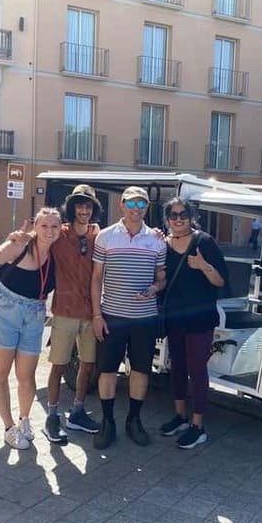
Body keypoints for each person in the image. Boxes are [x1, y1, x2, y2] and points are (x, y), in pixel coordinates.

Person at [0, 207, 61, 450]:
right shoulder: (20, 244)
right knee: (1, 372)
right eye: (44, 225)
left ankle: (24, 420)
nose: (49, 231)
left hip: (34, 313)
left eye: (54, 226)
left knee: (27, 375)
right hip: (5, 307)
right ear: (35, 226)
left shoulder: (57, 254)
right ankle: (8, 427)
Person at [91, 186, 166, 449]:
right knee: (108, 370)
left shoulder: (157, 240)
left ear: (147, 208)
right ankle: (107, 422)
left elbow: (161, 278)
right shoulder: (105, 236)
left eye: (141, 205)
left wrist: (154, 289)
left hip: (144, 318)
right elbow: (96, 278)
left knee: (141, 371)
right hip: (112, 316)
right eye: (131, 205)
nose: (136, 210)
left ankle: (134, 420)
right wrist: (97, 315)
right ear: (122, 205)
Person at [159, 197, 227, 449]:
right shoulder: (162, 245)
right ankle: (180, 417)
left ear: (191, 217)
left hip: (200, 318)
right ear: (167, 219)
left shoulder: (204, 243)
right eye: (173, 215)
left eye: (183, 214)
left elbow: (220, 281)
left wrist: (202, 266)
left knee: (197, 368)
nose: (179, 219)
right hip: (175, 317)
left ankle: (198, 426)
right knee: (176, 366)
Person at [42, 184, 103, 444]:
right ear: (72, 208)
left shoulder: (98, 235)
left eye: (88, 206)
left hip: (90, 312)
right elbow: (38, 238)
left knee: (88, 364)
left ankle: (77, 411)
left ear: (93, 209)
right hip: (65, 310)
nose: (83, 210)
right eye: (79, 205)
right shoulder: (59, 234)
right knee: (59, 364)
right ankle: (53, 415)